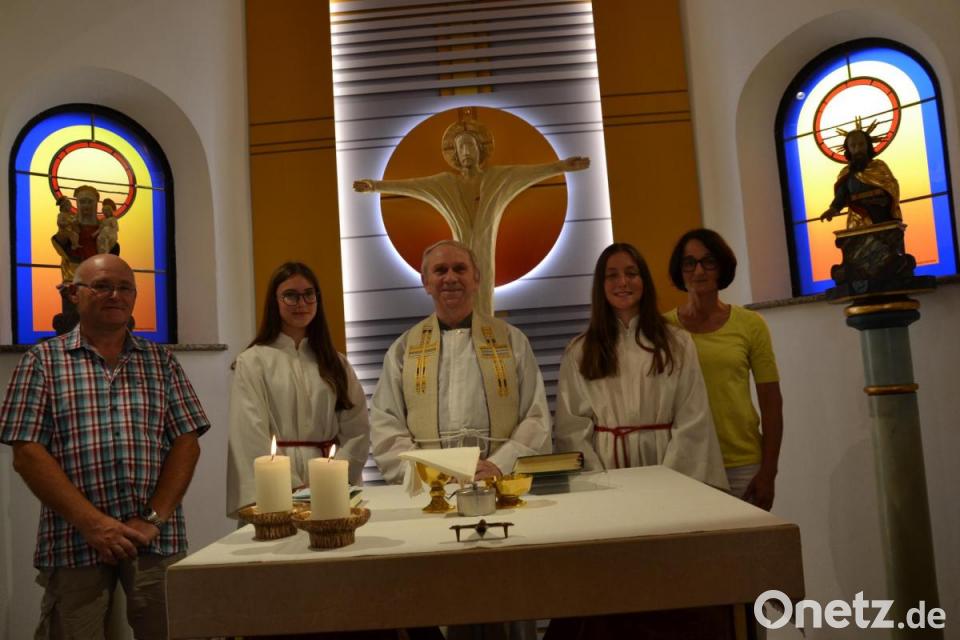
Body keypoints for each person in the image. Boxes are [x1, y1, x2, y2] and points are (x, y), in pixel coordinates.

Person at [0, 254, 209, 639]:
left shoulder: (161, 361)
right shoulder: (42, 362)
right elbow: (27, 453)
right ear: (73, 294)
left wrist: (152, 519)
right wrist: (94, 525)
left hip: (154, 539)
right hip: (73, 540)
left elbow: (186, 442)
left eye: (125, 287)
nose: (115, 295)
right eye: (101, 286)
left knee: (171, 630)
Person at [354, 107, 589, 317]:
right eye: (461, 147)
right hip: (460, 260)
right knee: (461, 298)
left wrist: (562, 166)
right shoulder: (445, 184)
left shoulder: (497, 178)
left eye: (470, 145)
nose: (466, 151)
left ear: (480, 150)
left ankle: (484, 331)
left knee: (483, 302)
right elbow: (412, 186)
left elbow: (528, 173)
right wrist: (375, 186)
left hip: (485, 259)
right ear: (455, 154)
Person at [370, 239, 551, 483]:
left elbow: (535, 415)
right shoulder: (403, 350)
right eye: (440, 270)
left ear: (476, 279)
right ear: (426, 282)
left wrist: (500, 465)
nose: (450, 278)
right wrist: (428, 472)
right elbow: (386, 424)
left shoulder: (511, 341)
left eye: (460, 269)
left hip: (497, 481)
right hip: (431, 488)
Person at [555, 243, 727, 489]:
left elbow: (693, 417)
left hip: (667, 463)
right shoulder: (581, 350)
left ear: (644, 280)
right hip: (606, 469)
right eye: (612, 275)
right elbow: (572, 428)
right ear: (600, 286)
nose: (623, 282)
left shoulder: (677, 343)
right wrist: (598, 481)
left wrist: (670, 479)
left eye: (631, 273)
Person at [226, 262, 370, 516]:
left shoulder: (336, 363)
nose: (301, 303)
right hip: (276, 481)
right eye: (290, 295)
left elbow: (356, 429)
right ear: (275, 301)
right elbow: (250, 432)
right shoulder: (253, 362)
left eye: (308, 294)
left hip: (330, 479)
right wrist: (292, 485)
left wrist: (333, 476)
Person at [665, 229, 783, 510]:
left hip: (742, 463)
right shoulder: (663, 329)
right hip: (686, 462)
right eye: (689, 263)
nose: (699, 271)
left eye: (708, 261)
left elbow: (771, 404)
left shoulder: (750, 324)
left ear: (722, 267)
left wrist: (769, 472)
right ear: (680, 270)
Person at [819, 125, 900, 229]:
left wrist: (884, 200)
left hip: (880, 214)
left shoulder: (879, 166)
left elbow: (892, 187)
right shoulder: (846, 173)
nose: (858, 149)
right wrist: (833, 209)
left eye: (861, 144)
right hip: (857, 218)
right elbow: (841, 196)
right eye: (853, 146)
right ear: (848, 149)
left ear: (868, 145)